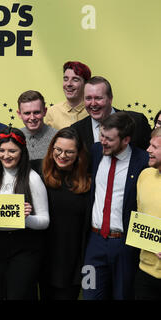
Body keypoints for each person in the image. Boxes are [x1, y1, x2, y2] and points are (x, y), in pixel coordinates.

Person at [0, 127, 49, 300]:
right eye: (1, 150)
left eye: (12, 151)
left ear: (22, 152)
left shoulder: (32, 178)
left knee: (18, 295)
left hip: (23, 248)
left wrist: (25, 219)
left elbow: (45, 221)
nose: (6, 155)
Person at [83, 112, 149, 300]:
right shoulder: (95, 151)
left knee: (123, 295)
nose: (103, 141)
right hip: (94, 244)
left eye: (109, 139)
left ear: (126, 139)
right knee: (90, 293)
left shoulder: (143, 161)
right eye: (101, 136)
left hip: (123, 245)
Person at [39, 127, 91, 300]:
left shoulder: (88, 182)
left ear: (78, 154)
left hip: (74, 260)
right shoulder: (39, 175)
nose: (62, 156)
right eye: (58, 150)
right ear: (52, 149)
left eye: (69, 152)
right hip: (45, 257)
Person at [71, 76, 151, 156]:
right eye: (88, 98)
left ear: (110, 98)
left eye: (98, 98)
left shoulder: (137, 121)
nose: (93, 104)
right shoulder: (76, 131)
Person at [134, 127, 161, 299]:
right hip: (144, 271)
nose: (148, 150)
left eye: (155, 147)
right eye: (149, 145)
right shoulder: (145, 175)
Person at [17, 90, 57, 172]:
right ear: (19, 114)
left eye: (36, 112)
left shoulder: (57, 138)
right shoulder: (14, 137)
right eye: (27, 113)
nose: (32, 118)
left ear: (45, 111)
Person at [45, 61, 91, 130]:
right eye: (66, 79)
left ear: (86, 84)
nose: (69, 84)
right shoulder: (52, 112)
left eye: (75, 80)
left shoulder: (93, 111)